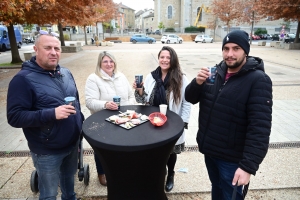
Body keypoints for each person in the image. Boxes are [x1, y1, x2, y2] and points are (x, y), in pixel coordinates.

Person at [185, 30, 273, 200]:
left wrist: (248, 166)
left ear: (245, 51)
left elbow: (260, 128)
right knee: (216, 190)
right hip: (210, 151)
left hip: (233, 160)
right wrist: (197, 83)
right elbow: (190, 98)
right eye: (226, 49)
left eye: (236, 48)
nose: (230, 54)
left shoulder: (258, 80)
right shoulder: (216, 72)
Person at [7, 30, 84, 199]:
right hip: (47, 150)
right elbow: (14, 117)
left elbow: (76, 103)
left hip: (71, 144)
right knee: (49, 193)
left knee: (68, 183)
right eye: (47, 47)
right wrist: (51, 113)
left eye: (57, 48)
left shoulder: (66, 73)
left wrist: (81, 126)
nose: (53, 52)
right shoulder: (22, 80)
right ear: (36, 49)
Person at [133, 46, 191, 192]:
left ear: (173, 59)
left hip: (171, 122)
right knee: (154, 151)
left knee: (170, 152)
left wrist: (183, 122)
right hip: (152, 121)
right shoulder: (151, 76)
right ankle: (157, 175)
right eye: (162, 57)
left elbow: (187, 102)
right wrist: (139, 89)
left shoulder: (181, 78)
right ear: (158, 58)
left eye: (168, 57)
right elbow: (143, 100)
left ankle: (170, 174)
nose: (164, 60)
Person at [85, 51, 136, 186]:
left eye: (111, 61)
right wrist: (105, 104)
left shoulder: (121, 76)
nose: (109, 64)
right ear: (100, 64)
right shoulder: (93, 78)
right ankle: (102, 172)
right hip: (103, 120)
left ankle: (119, 169)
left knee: (122, 146)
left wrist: (128, 109)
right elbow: (89, 102)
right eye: (105, 61)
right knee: (101, 148)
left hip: (123, 118)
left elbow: (131, 95)